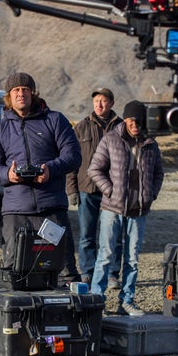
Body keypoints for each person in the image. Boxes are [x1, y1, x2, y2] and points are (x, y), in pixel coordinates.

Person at [0, 72, 81, 284]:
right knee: (14, 269)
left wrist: (51, 170)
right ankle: (18, 315)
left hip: (51, 208)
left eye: (25, 89)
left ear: (33, 93)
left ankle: (70, 314)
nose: (21, 94)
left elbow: (73, 156)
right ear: (9, 96)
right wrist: (8, 175)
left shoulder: (55, 120)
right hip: (15, 212)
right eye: (16, 90)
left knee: (65, 269)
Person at [88, 100, 164, 315]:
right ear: (126, 119)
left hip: (139, 210)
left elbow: (158, 173)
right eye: (131, 120)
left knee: (132, 258)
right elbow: (94, 170)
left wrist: (151, 194)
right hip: (112, 209)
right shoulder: (111, 139)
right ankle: (97, 300)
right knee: (105, 255)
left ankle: (127, 301)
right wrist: (111, 191)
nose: (135, 124)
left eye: (139, 120)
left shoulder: (151, 143)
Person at [66, 87, 123, 288]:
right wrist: (71, 189)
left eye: (104, 101)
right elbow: (71, 161)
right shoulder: (80, 127)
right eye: (96, 100)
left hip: (114, 192)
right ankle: (88, 272)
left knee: (114, 236)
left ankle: (112, 274)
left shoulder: (122, 128)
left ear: (112, 103)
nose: (99, 104)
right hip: (87, 189)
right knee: (86, 235)